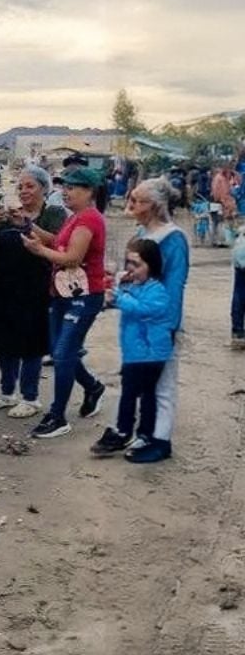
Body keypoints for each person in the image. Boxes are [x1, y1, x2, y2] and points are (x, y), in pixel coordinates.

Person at [20, 168, 109, 439]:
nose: (66, 192)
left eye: (72, 188)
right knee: (61, 351)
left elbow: (72, 257)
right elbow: (57, 242)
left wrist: (39, 251)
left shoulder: (89, 221)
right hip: (63, 293)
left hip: (84, 295)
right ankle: (92, 387)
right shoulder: (76, 218)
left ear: (89, 192)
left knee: (62, 353)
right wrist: (30, 228)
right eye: (65, 187)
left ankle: (58, 415)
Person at [0, 166, 65, 419]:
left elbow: (58, 241)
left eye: (30, 186)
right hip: (4, 284)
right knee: (3, 340)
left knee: (32, 343)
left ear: (44, 188)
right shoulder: (7, 215)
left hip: (36, 286)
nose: (24, 191)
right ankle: (7, 393)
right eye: (21, 186)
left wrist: (28, 225)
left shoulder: (54, 213)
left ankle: (31, 397)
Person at [120, 177, 190, 461]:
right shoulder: (143, 233)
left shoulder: (173, 239)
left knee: (163, 384)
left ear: (153, 205)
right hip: (138, 323)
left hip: (160, 324)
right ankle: (145, 434)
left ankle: (161, 440)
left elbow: (174, 287)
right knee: (143, 383)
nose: (131, 205)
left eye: (136, 200)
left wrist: (168, 327)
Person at [91, 239, 172, 460]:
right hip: (135, 353)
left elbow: (144, 310)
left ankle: (125, 431)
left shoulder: (158, 290)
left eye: (136, 265)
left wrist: (120, 296)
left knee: (135, 395)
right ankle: (141, 433)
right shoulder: (136, 287)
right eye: (129, 264)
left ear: (151, 265)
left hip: (149, 354)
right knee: (140, 394)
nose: (131, 269)